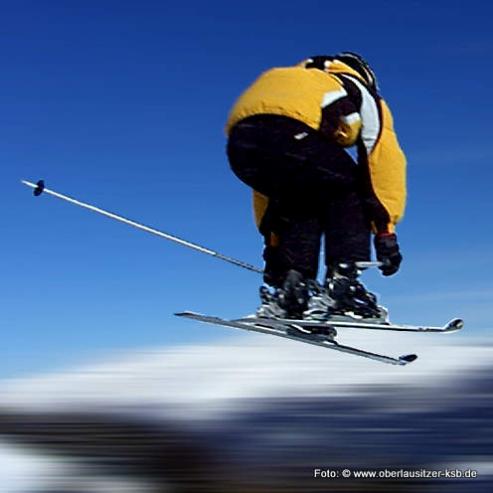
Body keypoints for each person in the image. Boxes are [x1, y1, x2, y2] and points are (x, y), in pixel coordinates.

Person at [225, 53, 406, 320]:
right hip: (292, 135)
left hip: (239, 146)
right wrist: (385, 232)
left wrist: (274, 248)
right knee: (352, 188)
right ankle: (342, 288)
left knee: (303, 200)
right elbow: (381, 159)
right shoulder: (354, 86)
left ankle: (293, 291)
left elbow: (269, 193)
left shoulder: (290, 81)